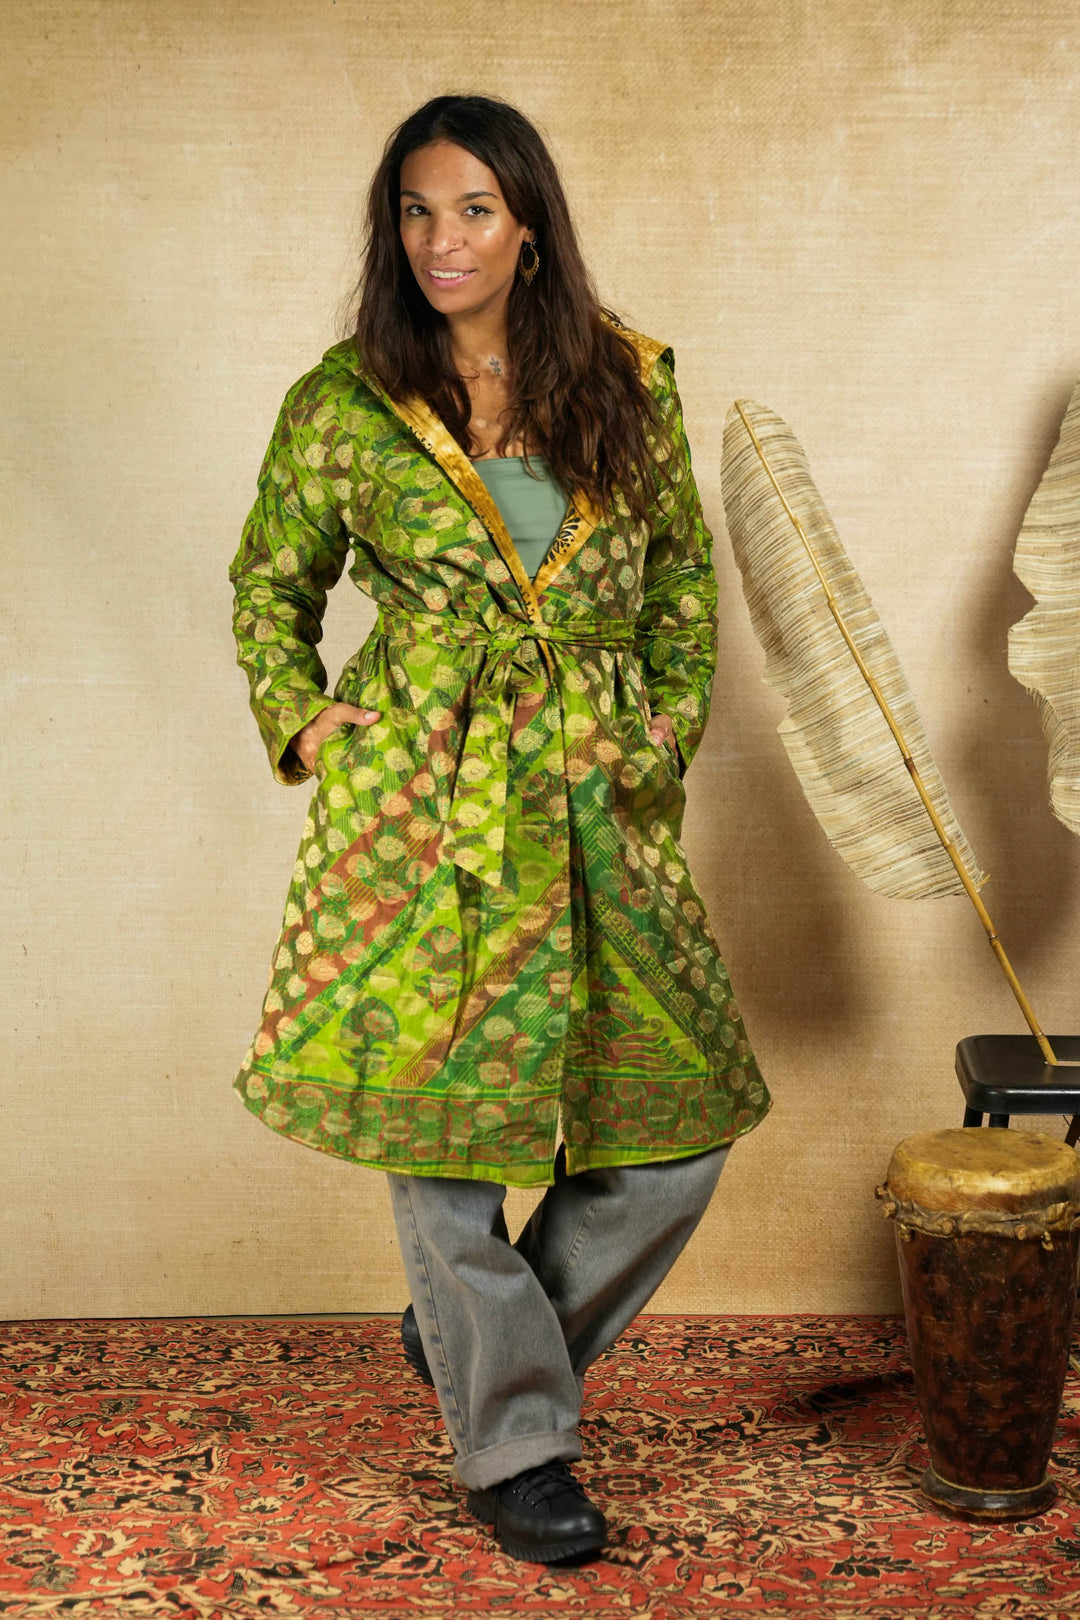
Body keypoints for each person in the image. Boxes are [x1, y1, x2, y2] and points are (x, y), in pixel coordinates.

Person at [229, 94, 770, 1565]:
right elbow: (271, 581)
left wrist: (663, 733)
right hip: (426, 800)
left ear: (529, 228)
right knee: (445, 1137)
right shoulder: (347, 402)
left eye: (473, 209)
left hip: (595, 791)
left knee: (680, 1127)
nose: (441, 240)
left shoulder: (627, 381)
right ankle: (517, 1446)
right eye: (416, 211)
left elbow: (680, 582)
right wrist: (306, 718)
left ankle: (478, 1335)